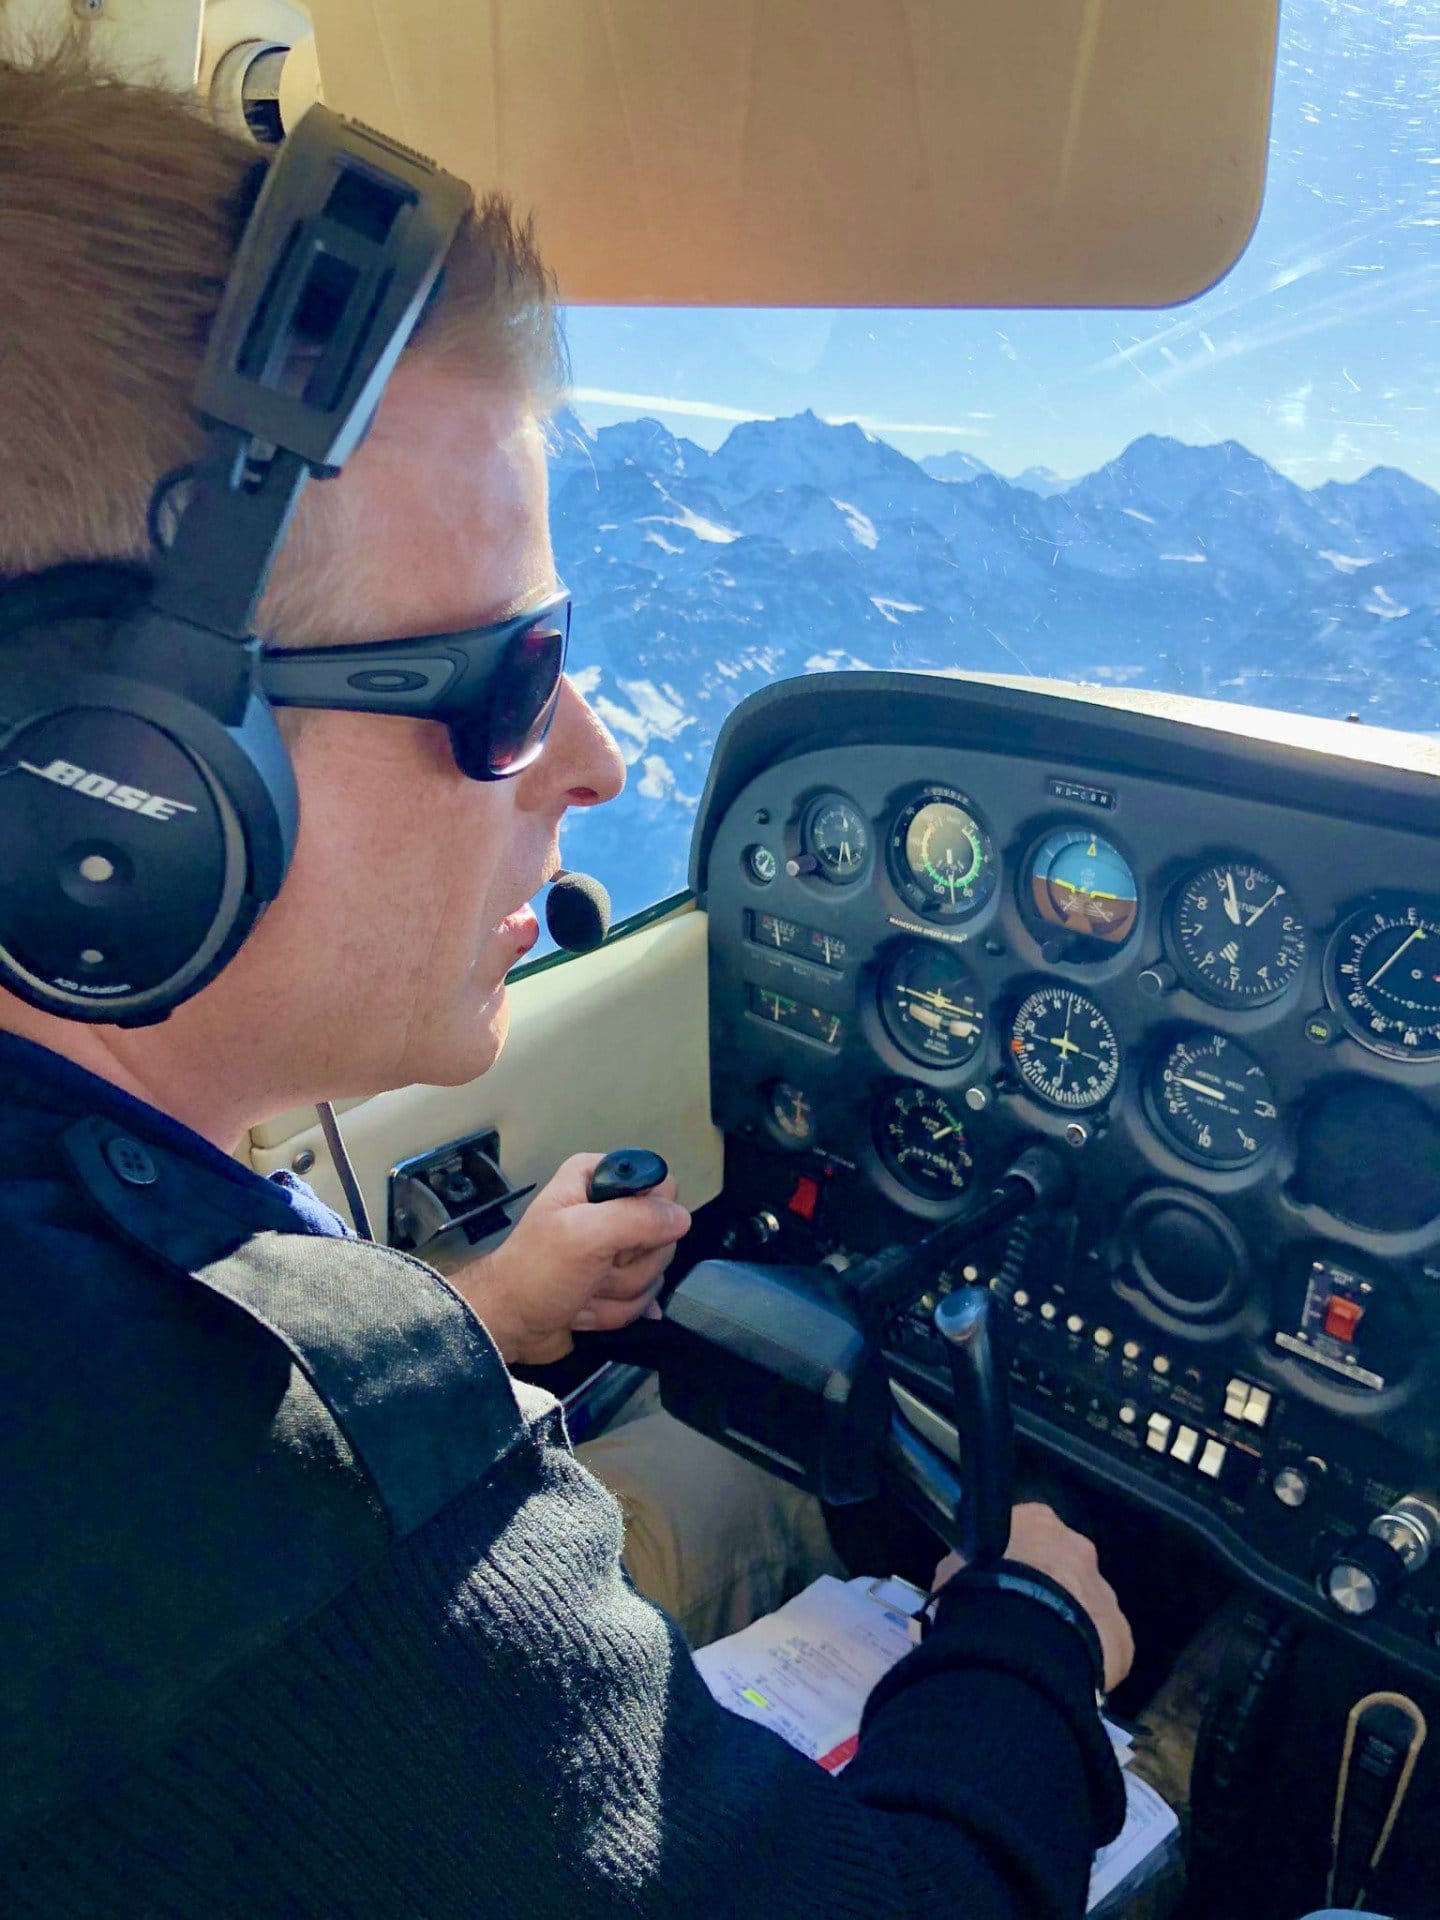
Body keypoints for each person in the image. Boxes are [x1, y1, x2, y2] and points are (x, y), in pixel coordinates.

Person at [0, 48, 1133, 1917]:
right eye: (513, 676)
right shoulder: (279, 1503)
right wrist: (1025, 1646)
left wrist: (470, 1310)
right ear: (126, 787)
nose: (597, 764)